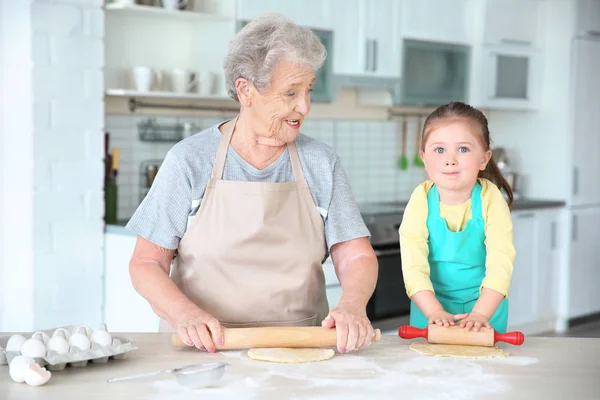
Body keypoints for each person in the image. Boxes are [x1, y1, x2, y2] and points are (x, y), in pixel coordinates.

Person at [125, 13, 378, 354]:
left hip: (302, 350)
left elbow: (354, 256)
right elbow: (146, 263)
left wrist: (352, 305)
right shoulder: (189, 160)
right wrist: (183, 314)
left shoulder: (321, 162)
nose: (303, 107)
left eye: (308, 91)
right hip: (204, 350)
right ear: (246, 90)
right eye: (290, 92)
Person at [399, 101, 515, 334]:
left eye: (463, 149)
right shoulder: (420, 199)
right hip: (430, 310)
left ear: (484, 158)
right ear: (424, 157)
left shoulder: (490, 199)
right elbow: (414, 268)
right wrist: (433, 312)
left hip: (485, 311)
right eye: (439, 150)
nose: (450, 159)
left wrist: (480, 314)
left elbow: (500, 265)